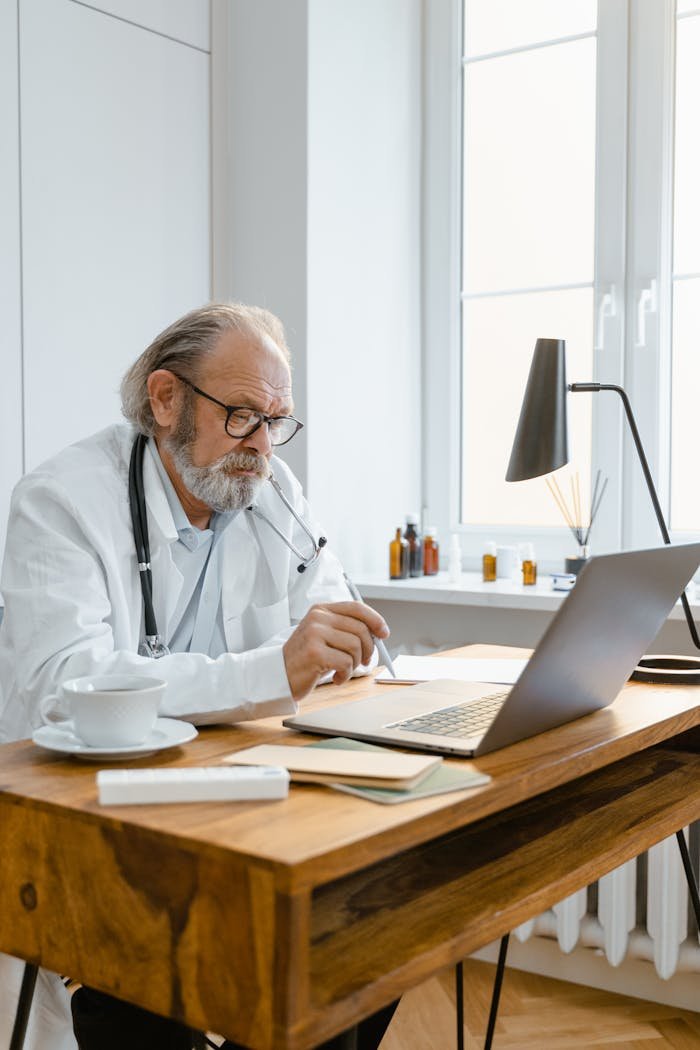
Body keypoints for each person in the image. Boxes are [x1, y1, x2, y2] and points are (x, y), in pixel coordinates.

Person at [0, 303, 395, 1050]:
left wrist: (345, 641)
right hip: (92, 813)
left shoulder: (268, 489)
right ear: (165, 399)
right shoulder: (61, 502)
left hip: (233, 798)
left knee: (365, 937)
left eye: (278, 421)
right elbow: (63, 683)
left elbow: (332, 612)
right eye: (243, 415)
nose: (263, 447)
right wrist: (271, 671)